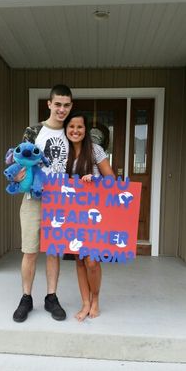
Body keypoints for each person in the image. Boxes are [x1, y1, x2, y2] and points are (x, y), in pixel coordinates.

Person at [13, 84, 73, 322]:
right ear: (49, 104)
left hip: (60, 201)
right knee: (29, 251)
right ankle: (26, 298)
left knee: (54, 252)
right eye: (57, 104)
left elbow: (79, 164)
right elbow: (20, 159)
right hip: (33, 200)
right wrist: (17, 175)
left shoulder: (71, 132)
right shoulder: (34, 131)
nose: (62, 109)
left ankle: (51, 297)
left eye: (66, 105)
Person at [64, 111, 115, 321]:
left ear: (86, 130)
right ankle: (85, 303)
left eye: (80, 127)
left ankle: (96, 299)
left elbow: (111, 180)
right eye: (72, 127)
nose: (75, 131)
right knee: (79, 260)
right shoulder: (63, 152)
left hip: (94, 214)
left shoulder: (95, 150)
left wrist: (95, 181)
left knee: (92, 261)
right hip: (71, 213)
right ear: (66, 129)